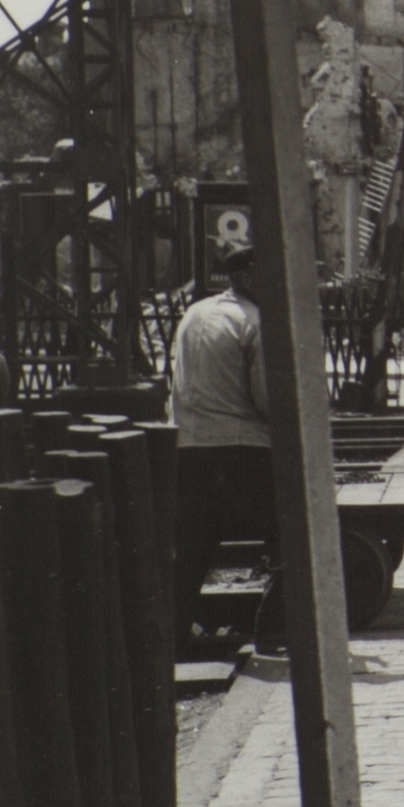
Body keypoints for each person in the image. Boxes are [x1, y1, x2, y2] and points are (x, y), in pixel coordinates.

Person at [170, 244, 274, 641]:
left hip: (189, 446)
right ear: (247, 277)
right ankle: (273, 624)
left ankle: (176, 631)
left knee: (193, 550)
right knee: (286, 535)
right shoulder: (256, 322)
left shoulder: (194, 313)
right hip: (241, 450)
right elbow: (266, 400)